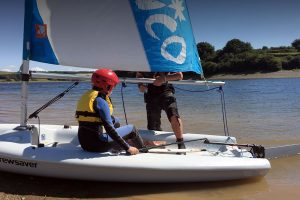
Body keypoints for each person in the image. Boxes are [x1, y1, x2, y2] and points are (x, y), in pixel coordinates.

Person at [76, 68, 145, 155]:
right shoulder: (100, 100)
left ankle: (117, 147)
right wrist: (127, 148)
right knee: (132, 129)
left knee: (115, 120)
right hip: (98, 145)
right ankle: (143, 150)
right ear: (107, 86)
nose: (113, 89)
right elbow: (110, 129)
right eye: (113, 86)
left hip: (84, 144)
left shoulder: (87, 96)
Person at [136, 72, 186, 149]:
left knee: (173, 115)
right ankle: (157, 143)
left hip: (166, 91)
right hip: (150, 93)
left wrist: (164, 78)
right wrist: (140, 85)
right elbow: (139, 75)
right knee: (153, 123)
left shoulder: (167, 60)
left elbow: (179, 75)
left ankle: (180, 142)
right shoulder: (144, 63)